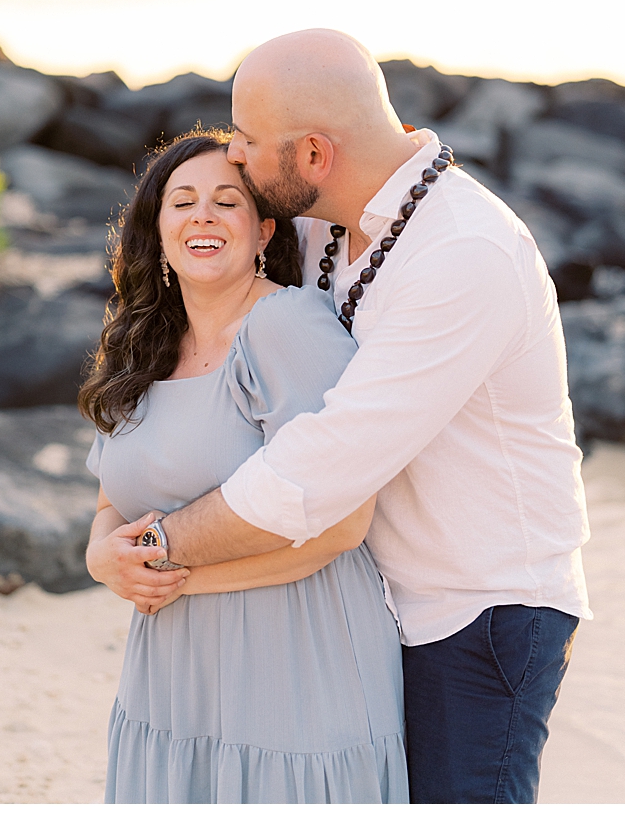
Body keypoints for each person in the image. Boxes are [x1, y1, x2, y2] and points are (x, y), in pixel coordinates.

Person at [144, 29, 590, 804]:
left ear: (315, 155)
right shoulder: (324, 225)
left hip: (480, 611)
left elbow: (321, 465)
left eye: (248, 140)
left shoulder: (463, 252)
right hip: (376, 601)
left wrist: (159, 544)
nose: (237, 157)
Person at [81, 130, 406, 803]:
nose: (202, 215)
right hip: (171, 662)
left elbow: (345, 525)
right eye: (183, 202)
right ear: (158, 231)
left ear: (262, 232)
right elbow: (113, 498)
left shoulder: (287, 326)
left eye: (225, 202)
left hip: (295, 651)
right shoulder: (141, 347)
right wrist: (101, 561)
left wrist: (174, 581)